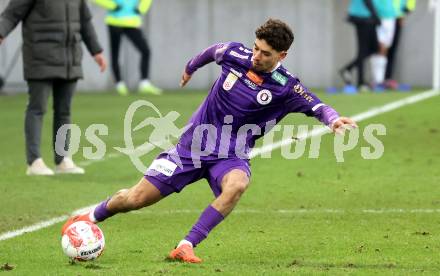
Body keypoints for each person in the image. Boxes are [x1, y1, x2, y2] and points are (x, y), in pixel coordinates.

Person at [62, 19, 357, 263]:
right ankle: (87, 217)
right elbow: (211, 52)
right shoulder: (236, 54)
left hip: (230, 155)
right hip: (190, 148)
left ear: (282, 56)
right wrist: (190, 68)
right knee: (135, 199)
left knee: (238, 185)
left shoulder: (286, 88)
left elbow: (317, 106)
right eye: (256, 48)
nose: (256, 55)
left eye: (266, 53)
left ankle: (186, 245)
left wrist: (333, 120)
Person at [0, 0, 107, 176]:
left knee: (64, 111)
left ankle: (63, 159)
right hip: (40, 58)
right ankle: (34, 161)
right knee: (37, 109)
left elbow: (85, 21)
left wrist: (96, 51)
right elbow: (11, 14)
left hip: (69, 60)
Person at [93, 0, 162, 96]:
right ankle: (119, 84)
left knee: (145, 50)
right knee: (115, 53)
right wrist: (112, 5)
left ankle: (144, 83)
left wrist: (141, 8)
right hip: (114, 21)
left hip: (131, 21)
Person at [339, 0, 381, 91]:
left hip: (368, 17)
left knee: (372, 49)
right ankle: (360, 82)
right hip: (363, 18)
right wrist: (376, 16)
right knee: (363, 50)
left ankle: (348, 69)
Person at [384, 0, 417, 89]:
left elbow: (410, 4)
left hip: (396, 18)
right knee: (381, 49)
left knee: (391, 50)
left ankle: (387, 79)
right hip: (383, 16)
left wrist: (403, 14)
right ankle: (379, 79)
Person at [369, 0, 397, 90]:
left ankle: (380, 80)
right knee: (378, 47)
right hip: (378, 17)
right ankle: (377, 80)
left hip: (391, 16)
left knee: (385, 48)